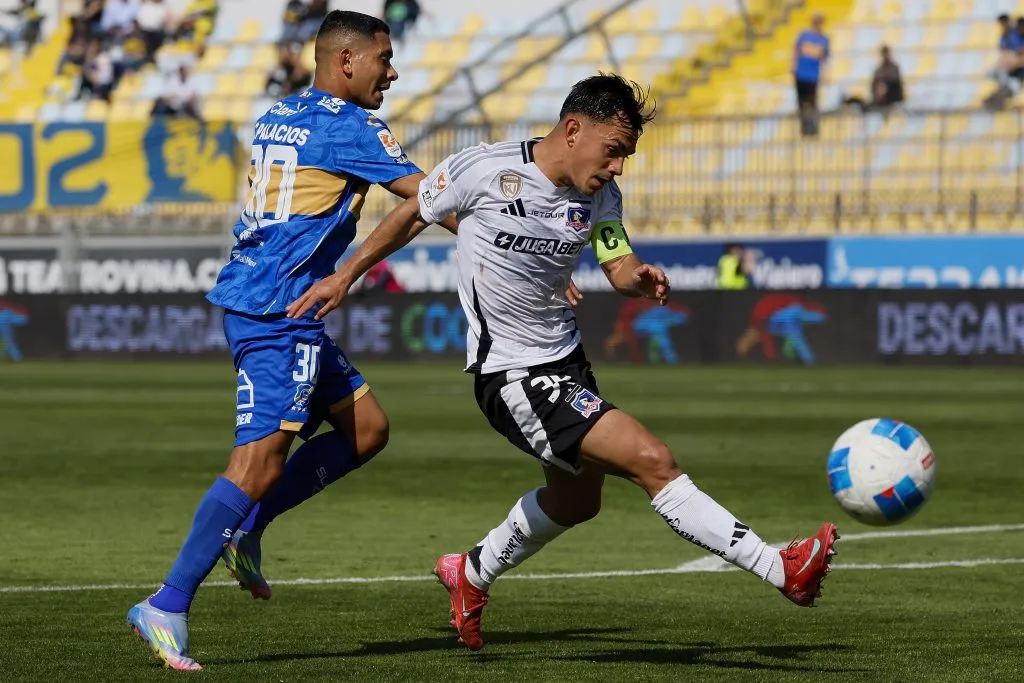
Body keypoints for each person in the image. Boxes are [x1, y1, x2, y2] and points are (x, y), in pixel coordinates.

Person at [289, 73, 840, 651]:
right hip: (512, 376)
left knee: (578, 501)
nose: (619, 167)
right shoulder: (484, 169)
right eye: (615, 151)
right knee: (651, 458)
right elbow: (412, 213)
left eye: (626, 156)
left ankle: (469, 573)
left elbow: (615, 257)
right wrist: (346, 276)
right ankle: (781, 569)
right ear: (574, 130)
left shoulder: (600, 194)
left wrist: (635, 277)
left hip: (566, 361)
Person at [125, 11, 456, 671]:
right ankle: (166, 601)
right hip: (281, 311)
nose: (393, 71)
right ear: (347, 63)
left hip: (268, 299)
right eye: (384, 59)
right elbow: (434, 196)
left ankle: (247, 528)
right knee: (258, 462)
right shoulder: (350, 126)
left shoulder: (282, 111)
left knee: (366, 428)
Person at [792, 13, 829, 137]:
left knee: (812, 102)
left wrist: (825, 75)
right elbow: (795, 52)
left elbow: (825, 59)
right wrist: (793, 66)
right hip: (801, 74)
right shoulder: (804, 36)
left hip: (813, 76)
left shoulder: (824, 39)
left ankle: (813, 129)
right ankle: (804, 129)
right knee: (801, 102)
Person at [842, 45, 903, 115]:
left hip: (891, 98)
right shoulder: (879, 69)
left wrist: (885, 90)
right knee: (860, 103)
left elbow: (896, 85)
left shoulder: (894, 68)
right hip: (879, 100)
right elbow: (874, 85)